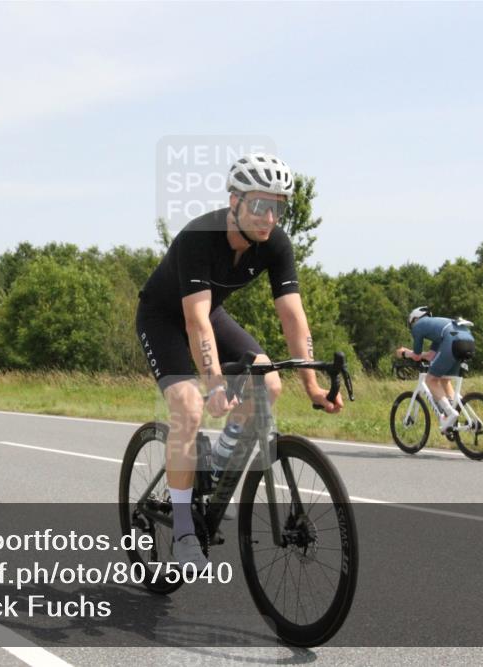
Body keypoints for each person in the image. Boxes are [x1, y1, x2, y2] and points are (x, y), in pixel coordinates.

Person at [136, 153, 342, 571]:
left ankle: (215, 465)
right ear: (235, 201)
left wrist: (312, 385)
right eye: (260, 205)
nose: (270, 218)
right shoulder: (200, 237)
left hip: (208, 313)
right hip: (163, 318)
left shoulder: (275, 243)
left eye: (279, 207)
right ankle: (183, 530)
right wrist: (213, 384)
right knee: (188, 407)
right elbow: (194, 323)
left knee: (268, 384)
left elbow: (292, 316)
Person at [396, 307, 475, 432]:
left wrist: (405, 353)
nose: (412, 327)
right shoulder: (437, 326)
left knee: (430, 380)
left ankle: (450, 414)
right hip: (468, 340)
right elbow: (431, 355)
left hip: (453, 340)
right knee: (444, 380)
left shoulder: (418, 325)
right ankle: (461, 415)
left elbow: (416, 356)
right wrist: (415, 354)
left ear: (415, 319)